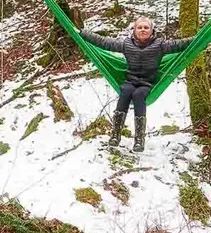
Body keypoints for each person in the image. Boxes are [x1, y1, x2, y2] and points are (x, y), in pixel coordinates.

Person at [80, 16, 194, 152]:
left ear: (152, 30)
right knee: (126, 91)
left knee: (139, 95)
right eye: (139, 27)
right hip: (130, 81)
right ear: (134, 30)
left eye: (146, 27)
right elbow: (104, 42)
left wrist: (202, 37)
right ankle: (116, 134)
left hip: (146, 83)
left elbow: (179, 45)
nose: (143, 30)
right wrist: (82, 33)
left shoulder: (160, 45)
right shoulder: (126, 44)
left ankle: (139, 139)